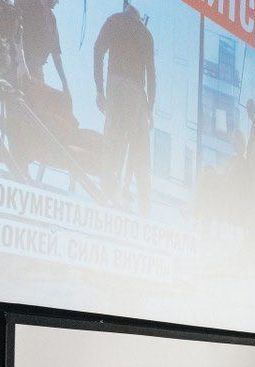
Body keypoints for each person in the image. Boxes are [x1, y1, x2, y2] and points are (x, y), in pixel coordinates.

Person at [93, 1, 155, 215]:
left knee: (113, 143)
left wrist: (99, 90)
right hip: (137, 93)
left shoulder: (114, 21)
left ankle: (108, 195)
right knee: (139, 151)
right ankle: (144, 206)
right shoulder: (145, 34)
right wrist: (150, 108)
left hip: (117, 87)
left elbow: (98, 50)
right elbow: (151, 75)